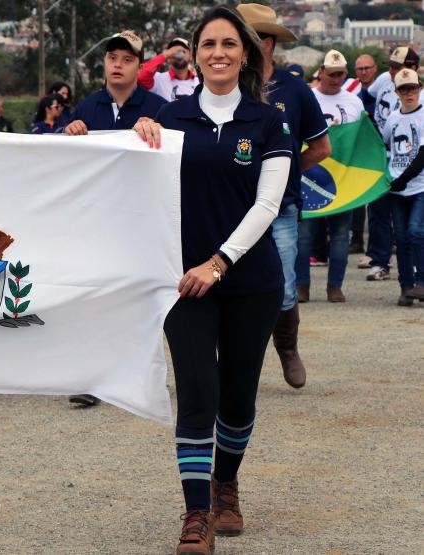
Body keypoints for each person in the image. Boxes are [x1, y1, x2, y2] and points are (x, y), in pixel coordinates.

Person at [133, 7, 292, 551]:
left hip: (251, 281)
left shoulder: (267, 121)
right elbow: (129, 174)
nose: (218, 53)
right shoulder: (168, 116)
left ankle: (227, 485)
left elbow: (268, 203)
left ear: (244, 53)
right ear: (194, 54)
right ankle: (196, 513)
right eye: (208, 44)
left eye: (228, 43)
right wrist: (136, 137)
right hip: (184, 283)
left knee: (238, 397)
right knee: (197, 392)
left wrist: (219, 262)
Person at [64, 30, 166, 408]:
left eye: (127, 59)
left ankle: (137, 376)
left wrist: (156, 133)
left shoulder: (158, 108)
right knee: (94, 297)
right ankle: (92, 377)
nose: (118, 65)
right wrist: (68, 134)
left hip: (142, 219)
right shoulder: (86, 109)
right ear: (104, 64)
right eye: (112, 58)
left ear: (139, 66)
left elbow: (171, 158)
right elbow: (67, 164)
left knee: (140, 300)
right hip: (97, 218)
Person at [238, 2, 330, 389]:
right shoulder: (227, 86)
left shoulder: (295, 90)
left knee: (285, 285)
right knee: (232, 282)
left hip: (282, 207)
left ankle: (288, 349)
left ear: (269, 44)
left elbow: (321, 147)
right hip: (232, 204)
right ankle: (238, 360)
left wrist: (287, 172)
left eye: (251, 39)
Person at [297, 49, 365, 304]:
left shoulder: (354, 102)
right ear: (321, 72)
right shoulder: (307, 98)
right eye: (331, 73)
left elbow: (361, 139)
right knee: (304, 237)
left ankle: (334, 286)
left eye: (341, 74)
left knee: (340, 236)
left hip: (343, 181)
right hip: (310, 178)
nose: (336, 78)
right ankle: (302, 285)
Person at [362, 47, 418, 279]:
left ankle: (412, 265)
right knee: (377, 210)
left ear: (413, 68)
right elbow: (366, 96)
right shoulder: (385, 80)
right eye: (391, 66)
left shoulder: (418, 95)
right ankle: (380, 260)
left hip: (407, 162)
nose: (392, 71)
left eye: (398, 67)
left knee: (411, 223)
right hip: (380, 154)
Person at [382, 68, 424, 305]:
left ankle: (422, 281)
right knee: (402, 238)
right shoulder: (393, 119)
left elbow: (422, 154)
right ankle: (406, 286)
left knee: (416, 232)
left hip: (419, 187)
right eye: (404, 89)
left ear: (420, 88)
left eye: (414, 88)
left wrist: (404, 178)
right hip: (397, 189)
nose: (410, 93)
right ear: (397, 92)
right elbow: (383, 145)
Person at [348, 54, 379, 254]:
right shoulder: (350, 92)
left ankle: (379, 244)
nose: (364, 72)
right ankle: (357, 239)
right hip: (358, 152)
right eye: (360, 69)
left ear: (375, 69)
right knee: (357, 199)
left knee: (378, 200)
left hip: (379, 150)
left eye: (367, 68)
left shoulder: (383, 91)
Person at [138, 36, 200, 102]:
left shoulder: (200, 83)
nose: (178, 54)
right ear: (169, 57)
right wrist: (166, 55)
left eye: (183, 51)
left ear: (190, 56)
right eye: (174, 51)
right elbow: (140, 76)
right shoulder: (158, 80)